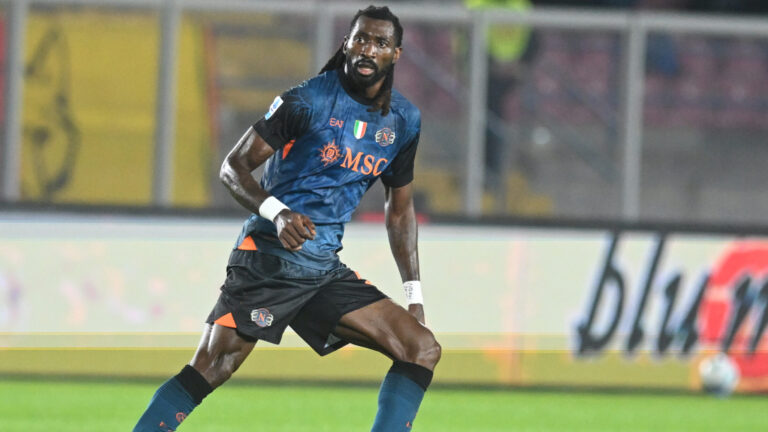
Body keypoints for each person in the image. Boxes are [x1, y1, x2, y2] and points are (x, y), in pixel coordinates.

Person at [133, 5, 440, 432]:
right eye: (362, 39)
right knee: (214, 364)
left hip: (322, 271)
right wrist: (277, 214)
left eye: (381, 42)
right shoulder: (307, 100)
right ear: (346, 44)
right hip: (270, 259)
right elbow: (233, 167)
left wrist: (414, 293)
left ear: (396, 54)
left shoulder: (403, 121)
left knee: (420, 347)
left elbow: (400, 210)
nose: (369, 49)